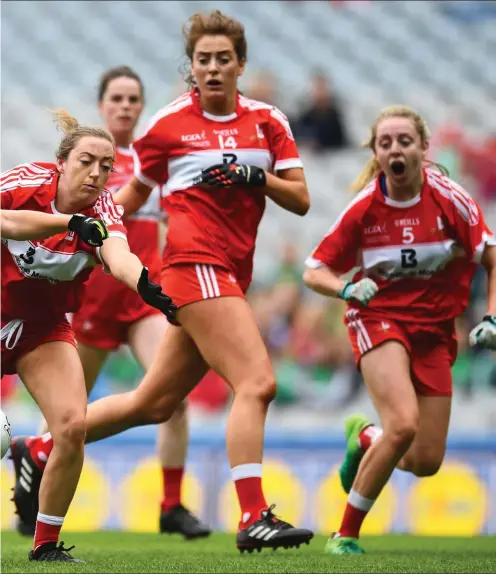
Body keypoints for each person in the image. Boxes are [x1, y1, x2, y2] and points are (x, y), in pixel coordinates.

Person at [11, 9, 314, 554]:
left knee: (154, 402)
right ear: (191, 68)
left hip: (174, 283)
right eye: (203, 60)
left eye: (224, 59)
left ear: (241, 65)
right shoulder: (166, 128)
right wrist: (82, 224)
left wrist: (120, 250)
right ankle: (253, 515)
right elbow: (125, 199)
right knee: (257, 382)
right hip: (189, 265)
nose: (214, 68)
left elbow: (300, 199)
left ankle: (42, 456)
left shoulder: (268, 122)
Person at [24, 66, 210, 541]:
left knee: (169, 395)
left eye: (134, 99)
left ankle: (170, 505)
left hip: (138, 298)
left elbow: (138, 236)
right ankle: (36, 479)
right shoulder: (91, 163)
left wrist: (158, 279)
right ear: (103, 105)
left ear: (142, 107)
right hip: (85, 303)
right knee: (65, 415)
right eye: (118, 99)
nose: (126, 106)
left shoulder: (156, 164)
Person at [303, 105, 496, 555]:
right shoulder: (365, 207)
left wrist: (491, 316)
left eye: (404, 141)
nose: (395, 149)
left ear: (423, 149)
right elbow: (315, 271)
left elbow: (492, 256)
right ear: (375, 151)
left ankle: (365, 437)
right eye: (385, 142)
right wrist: (347, 287)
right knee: (404, 423)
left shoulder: (451, 198)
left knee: (424, 461)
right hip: (378, 319)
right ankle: (344, 535)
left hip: (435, 330)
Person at [2, 110, 176, 563]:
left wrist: (144, 285)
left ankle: (45, 545)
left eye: (105, 164)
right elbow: (8, 223)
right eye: (86, 161)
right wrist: (66, 224)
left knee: (72, 426)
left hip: (41, 328)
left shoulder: (104, 208)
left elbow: (117, 253)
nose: (97, 173)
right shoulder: (25, 181)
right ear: (61, 162)